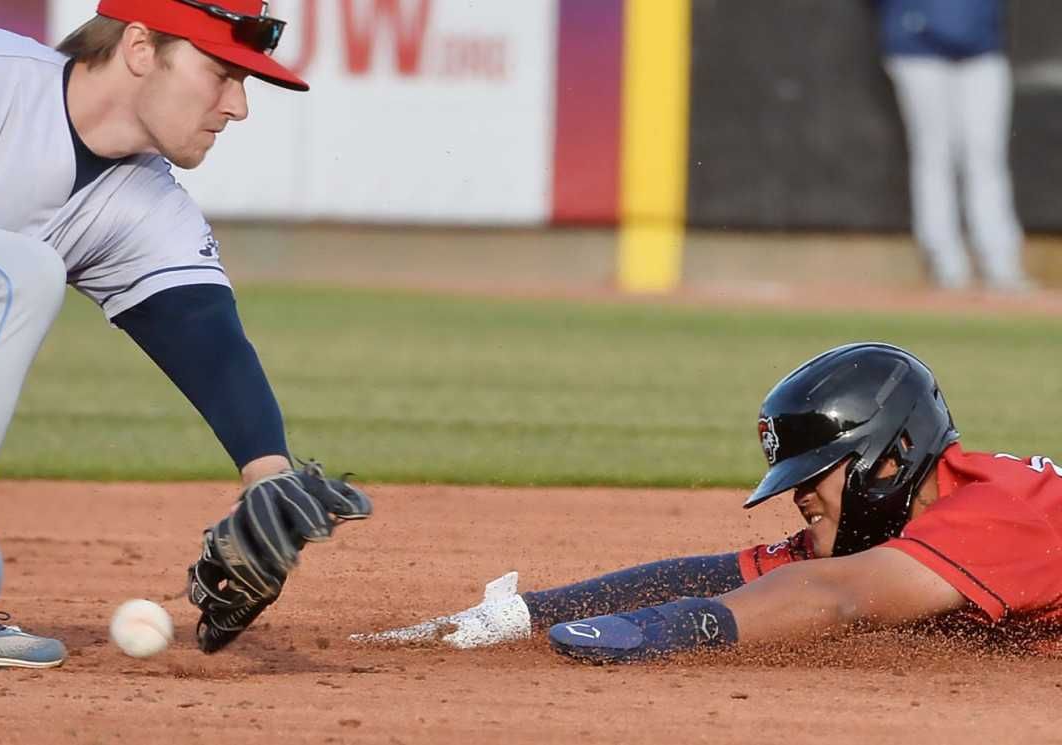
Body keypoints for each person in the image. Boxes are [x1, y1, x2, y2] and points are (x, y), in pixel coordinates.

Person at [0, 0, 371, 670]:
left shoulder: (140, 204)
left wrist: (267, 473)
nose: (239, 106)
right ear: (139, 47)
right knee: (19, 274)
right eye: (222, 73)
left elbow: (204, 334)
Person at [356, 342, 1062, 663]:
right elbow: (721, 575)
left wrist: (659, 632)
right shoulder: (901, 520)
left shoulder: (997, 513)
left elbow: (837, 597)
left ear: (891, 457)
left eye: (815, 474)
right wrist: (520, 614)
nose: (801, 498)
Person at [875, 0, 1030, 291]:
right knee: (934, 153)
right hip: (917, 45)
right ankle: (944, 261)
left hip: (981, 44)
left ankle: (1000, 259)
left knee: (985, 154)